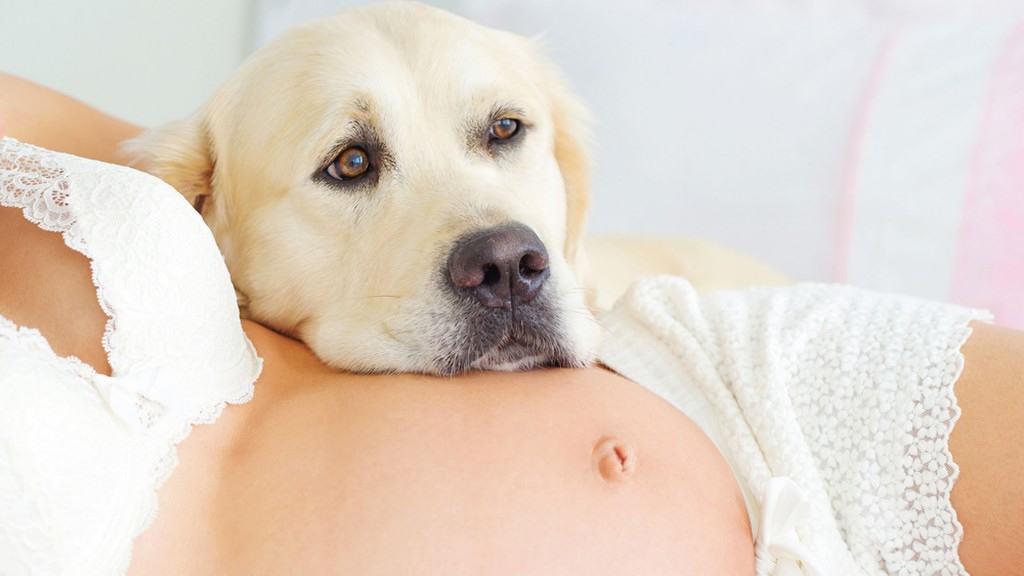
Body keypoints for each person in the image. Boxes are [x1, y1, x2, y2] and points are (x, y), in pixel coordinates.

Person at [1, 73, 1021, 575]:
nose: (501, 245)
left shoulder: (125, 156)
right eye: (352, 164)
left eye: (502, 134)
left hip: (741, 390)